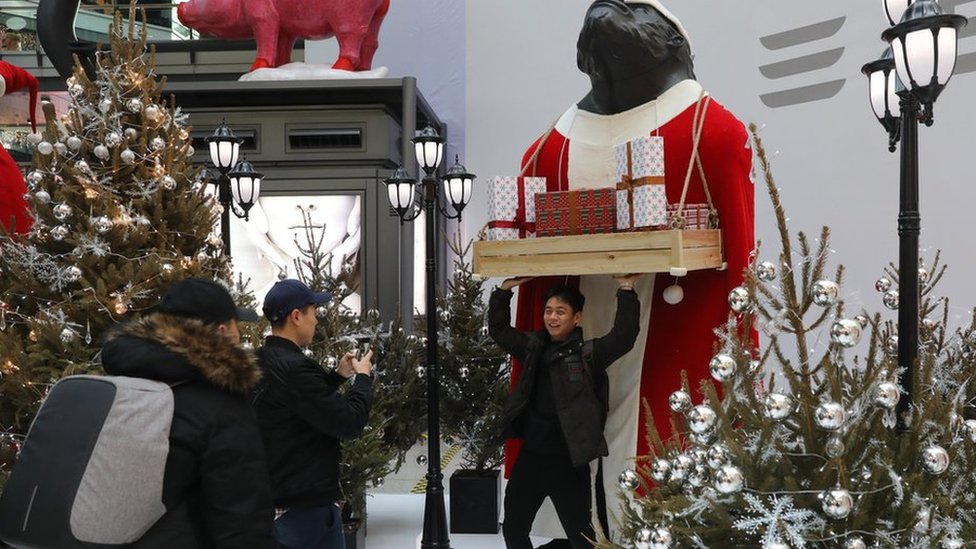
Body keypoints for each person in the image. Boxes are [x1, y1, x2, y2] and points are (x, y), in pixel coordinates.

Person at [512, 0, 755, 540]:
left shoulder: (708, 133)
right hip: (579, 341)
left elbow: (740, 265)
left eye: (641, 8)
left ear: (675, 46)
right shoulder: (547, 149)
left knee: (651, 450)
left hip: (673, 336)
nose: (619, 7)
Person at [99, 277, 276, 548]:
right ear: (222, 330)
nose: (239, 334)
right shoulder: (219, 403)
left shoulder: (127, 380)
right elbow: (241, 515)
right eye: (235, 325)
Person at [489, 274, 641, 549]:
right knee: (513, 526)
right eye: (548, 310)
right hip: (531, 458)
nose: (552, 317)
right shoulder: (532, 347)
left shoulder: (588, 354)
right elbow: (499, 330)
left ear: (577, 318)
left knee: (581, 537)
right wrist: (503, 291)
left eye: (560, 311)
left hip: (568, 463)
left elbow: (624, 337)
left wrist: (626, 289)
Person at [252, 278, 374, 549]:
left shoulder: (263, 360)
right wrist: (363, 380)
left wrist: (336, 377)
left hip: (278, 501)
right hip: (304, 511)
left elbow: (297, 406)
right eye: (313, 313)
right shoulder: (296, 369)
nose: (316, 321)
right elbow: (349, 422)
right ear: (296, 316)